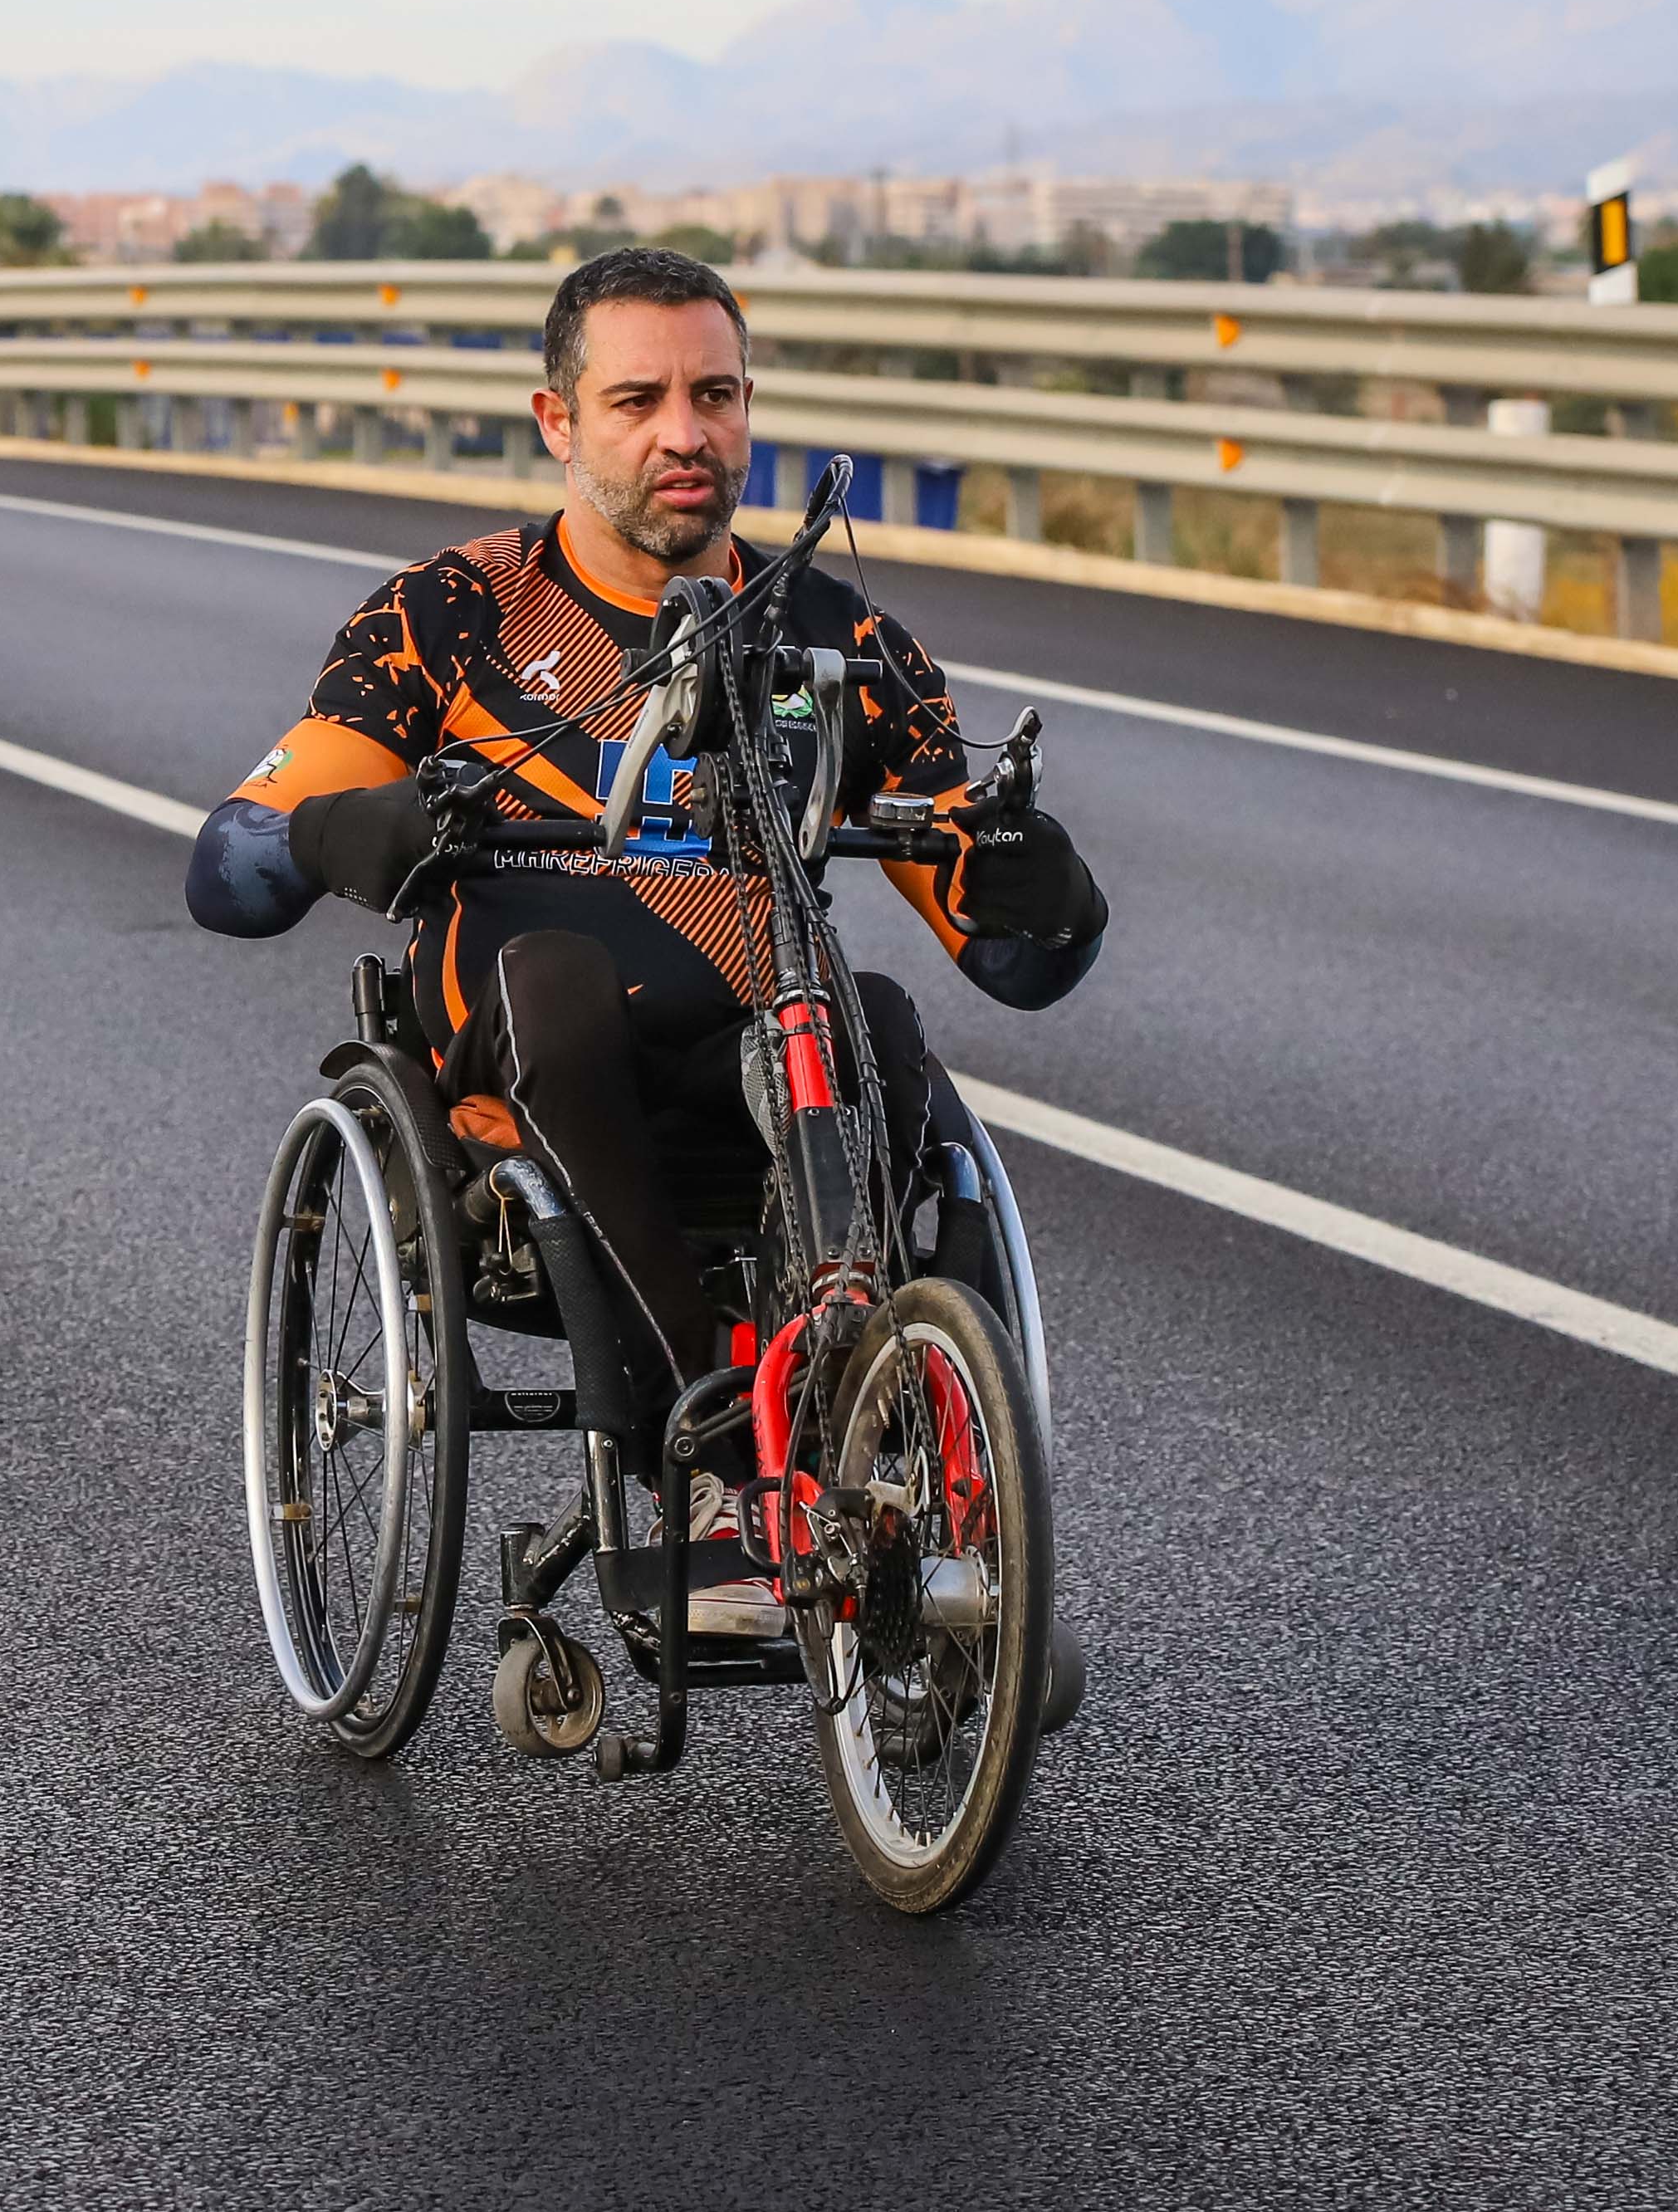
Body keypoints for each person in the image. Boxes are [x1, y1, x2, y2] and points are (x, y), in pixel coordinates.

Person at [186, 245, 1106, 1413]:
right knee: (557, 981)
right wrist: (331, 836)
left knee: (878, 1017)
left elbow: (1011, 958)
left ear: (748, 406)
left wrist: (1053, 899)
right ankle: (700, 1404)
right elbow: (228, 869)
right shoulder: (452, 612)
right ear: (558, 423)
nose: (685, 435)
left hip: (764, 1061)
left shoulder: (840, 638)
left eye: (713, 396)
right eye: (637, 401)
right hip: (528, 1072)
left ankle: (866, 1407)